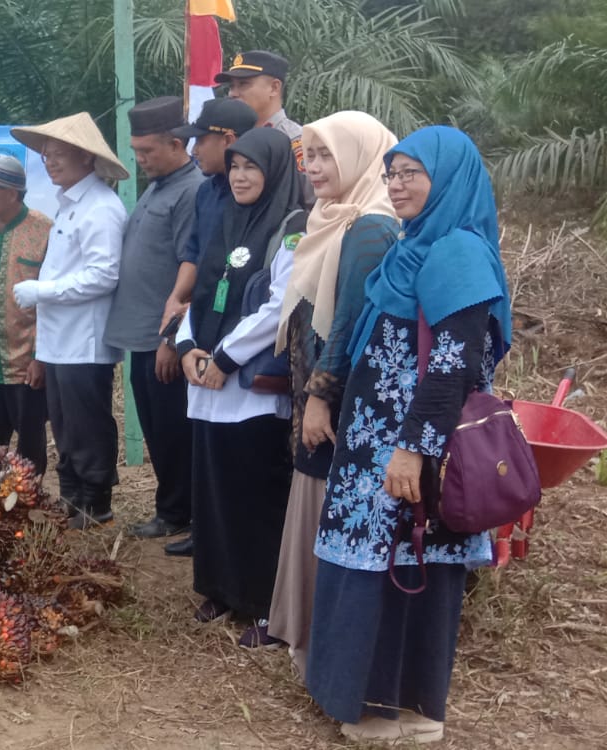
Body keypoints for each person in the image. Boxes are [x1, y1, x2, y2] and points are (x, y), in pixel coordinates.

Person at [306, 126, 512, 744]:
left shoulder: (458, 253)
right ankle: (364, 699)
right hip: (374, 443)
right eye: (391, 173)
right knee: (375, 564)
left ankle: (402, 710)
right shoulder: (411, 245)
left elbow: (452, 366)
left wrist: (412, 450)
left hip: (407, 448)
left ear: (447, 179)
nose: (396, 185)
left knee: (409, 566)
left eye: (411, 174)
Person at [266, 112, 399, 675]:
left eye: (326, 155)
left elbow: (346, 324)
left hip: (339, 403)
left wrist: (320, 396)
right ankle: (312, 643)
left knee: (325, 506)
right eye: (309, 156)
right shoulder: (332, 217)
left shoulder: (368, 226)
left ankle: (323, 647)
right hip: (316, 395)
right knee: (312, 501)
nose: (315, 167)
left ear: (361, 156)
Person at [175, 128, 303, 647]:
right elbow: (197, 295)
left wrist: (225, 356)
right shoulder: (223, 218)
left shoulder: (292, 228)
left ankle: (266, 605)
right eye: (234, 167)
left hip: (248, 387)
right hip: (206, 381)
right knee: (214, 492)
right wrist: (186, 347)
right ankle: (222, 588)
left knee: (256, 496)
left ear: (274, 171)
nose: (241, 176)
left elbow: (281, 304)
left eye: (252, 167)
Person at [9, 114, 127, 528]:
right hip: (60, 339)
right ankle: (73, 498)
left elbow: (103, 275)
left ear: (86, 158)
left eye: (59, 154)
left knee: (86, 423)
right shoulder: (70, 206)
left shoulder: (100, 207)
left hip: (85, 339)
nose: (50, 161)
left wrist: (42, 290)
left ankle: (96, 504)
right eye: (46, 154)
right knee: (63, 423)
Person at [162, 96, 260, 557]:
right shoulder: (207, 191)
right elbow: (197, 257)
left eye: (201, 138)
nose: (194, 148)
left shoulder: (259, 201)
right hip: (199, 324)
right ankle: (203, 529)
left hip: (239, 341)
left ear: (231, 140)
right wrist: (179, 307)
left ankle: (222, 539)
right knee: (200, 435)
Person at [107, 96, 205, 541]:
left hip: (163, 337)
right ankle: (172, 505)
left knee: (171, 430)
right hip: (140, 334)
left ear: (175, 143)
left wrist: (171, 337)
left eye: (147, 151)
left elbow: (192, 265)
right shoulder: (158, 184)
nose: (139, 159)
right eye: (136, 150)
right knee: (154, 424)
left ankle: (177, 511)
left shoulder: (191, 189)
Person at [0, 154, 51, 473]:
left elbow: (49, 300)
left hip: (25, 360)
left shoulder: (44, 229)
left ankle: (30, 507)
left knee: (30, 444)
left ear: (12, 194)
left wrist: (41, 356)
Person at [218, 50, 313, 206]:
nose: (233, 93)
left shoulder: (296, 141)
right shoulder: (233, 137)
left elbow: (308, 199)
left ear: (274, 88)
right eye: (232, 86)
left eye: (243, 84)